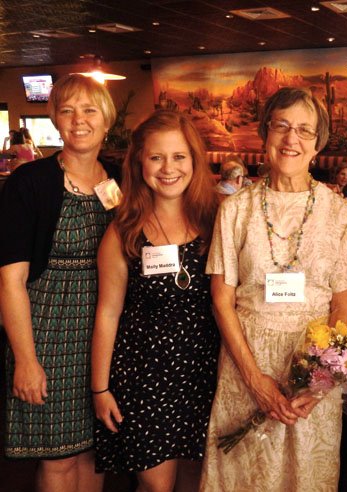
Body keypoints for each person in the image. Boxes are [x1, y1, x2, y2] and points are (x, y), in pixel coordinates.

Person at [199, 87, 347, 491]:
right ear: (265, 133)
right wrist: (254, 379)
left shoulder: (340, 213)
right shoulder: (235, 209)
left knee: (304, 477)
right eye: (281, 126)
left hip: (310, 367)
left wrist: (320, 380)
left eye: (304, 130)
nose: (291, 139)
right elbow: (221, 301)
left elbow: (341, 307)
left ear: (318, 143)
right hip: (246, 365)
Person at [0, 73, 118, 492]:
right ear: (55, 120)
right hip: (49, 334)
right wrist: (26, 359)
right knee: (59, 457)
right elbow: (11, 281)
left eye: (89, 110)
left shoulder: (119, 178)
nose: (78, 119)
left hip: (107, 335)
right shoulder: (29, 183)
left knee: (93, 452)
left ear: (107, 120)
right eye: (66, 110)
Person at [92, 110, 220, 492]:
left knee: (199, 485)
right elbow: (107, 313)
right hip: (144, 379)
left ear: (195, 161)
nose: (169, 168)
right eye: (156, 157)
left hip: (206, 376)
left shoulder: (218, 222)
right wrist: (100, 389)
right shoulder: (124, 231)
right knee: (155, 487)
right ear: (139, 162)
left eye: (179, 156)